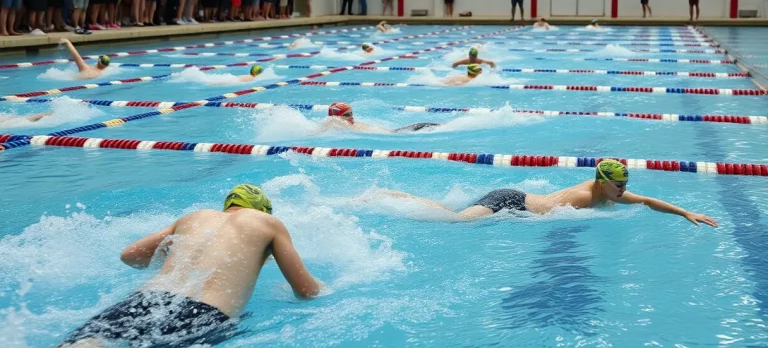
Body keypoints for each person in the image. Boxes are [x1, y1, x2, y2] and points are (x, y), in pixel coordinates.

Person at [57, 184, 321, 348]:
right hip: (207, 314)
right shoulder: (268, 224)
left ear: (228, 205)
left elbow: (130, 255)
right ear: (264, 211)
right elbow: (306, 291)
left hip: (149, 299)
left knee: (84, 343)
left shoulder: (196, 216)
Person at [371, 159, 719, 226]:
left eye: (625, 185)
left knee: (452, 212)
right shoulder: (585, 199)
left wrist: (686, 211)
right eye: (619, 185)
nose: (624, 190)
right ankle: (391, 197)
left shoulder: (606, 194)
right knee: (452, 221)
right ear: (602, 182)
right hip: (508, 202)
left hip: (516, 199)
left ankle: (396, 195)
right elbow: (547, 220)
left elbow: (647, 201)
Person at [322, 102, 439, 134]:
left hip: (394, 132)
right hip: (395, 135)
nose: (351, 117)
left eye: (351, 113)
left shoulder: (348, 125)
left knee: (426, 125)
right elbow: (330, 122)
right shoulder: (337, 124)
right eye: (347, 115)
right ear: (337, 117)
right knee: (424, 126)